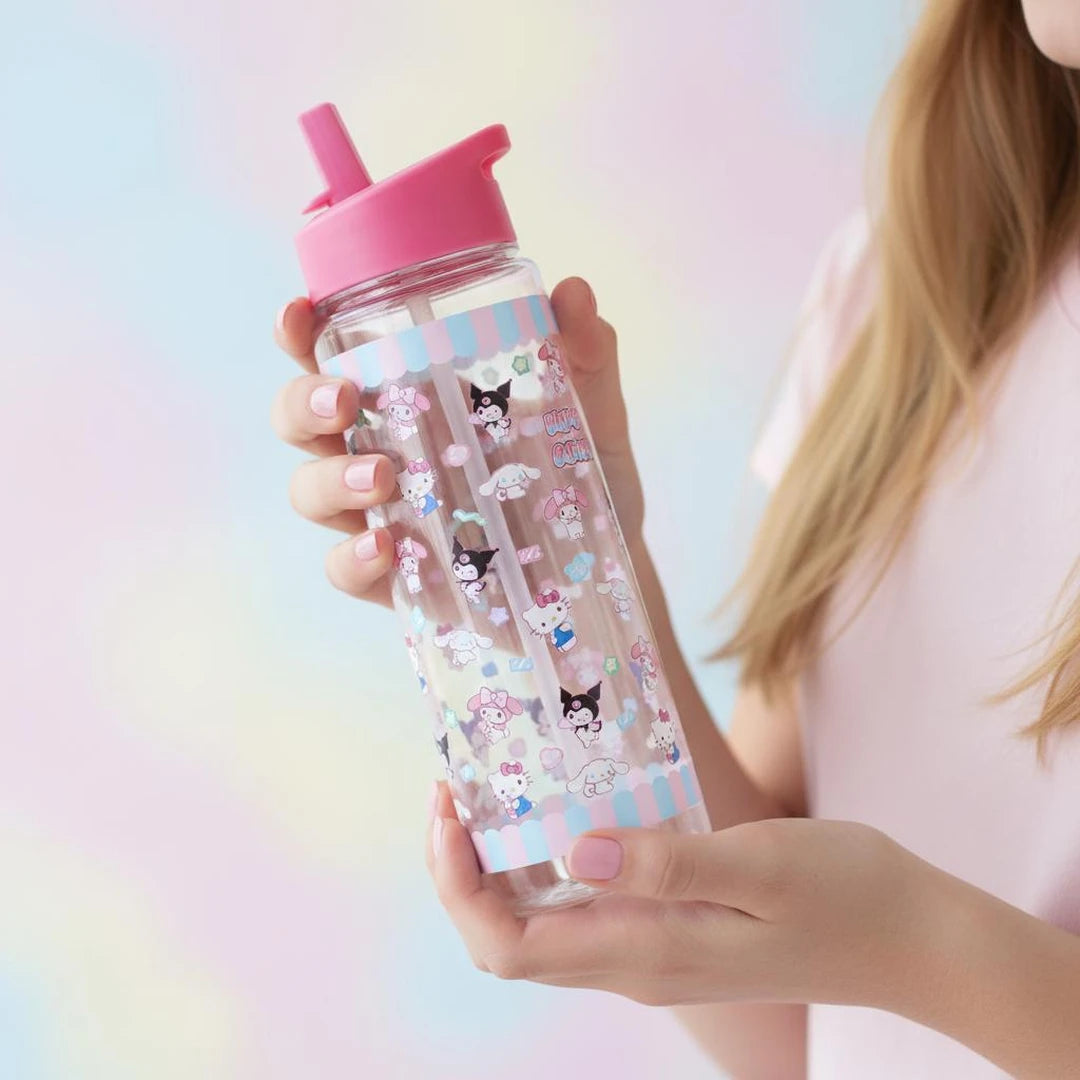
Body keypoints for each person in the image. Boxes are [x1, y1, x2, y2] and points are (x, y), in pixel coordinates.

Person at [268, 2, 1080, 1075]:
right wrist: (591, 564)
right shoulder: (922, 282)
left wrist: (917, 947)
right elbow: (798, 1034)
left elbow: (872, 962)